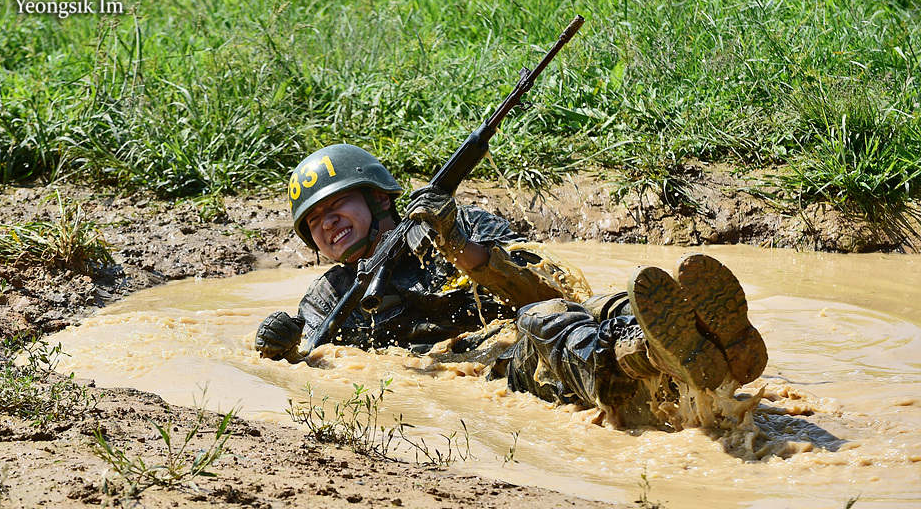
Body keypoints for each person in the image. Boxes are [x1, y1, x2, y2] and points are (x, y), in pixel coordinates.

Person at [255, 144, 767, 428]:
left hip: (548, 325)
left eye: (337, 205)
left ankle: (700, 343)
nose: (327, 222)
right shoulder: (328, 297)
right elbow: (312, 363)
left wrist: (459, 244)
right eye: (314, 220)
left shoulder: (463, 226)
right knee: (544, 324)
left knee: (604, 303)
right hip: (505, 365)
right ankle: (656, 360)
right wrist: (275, 345)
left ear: (377, 198)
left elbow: (547, 286)